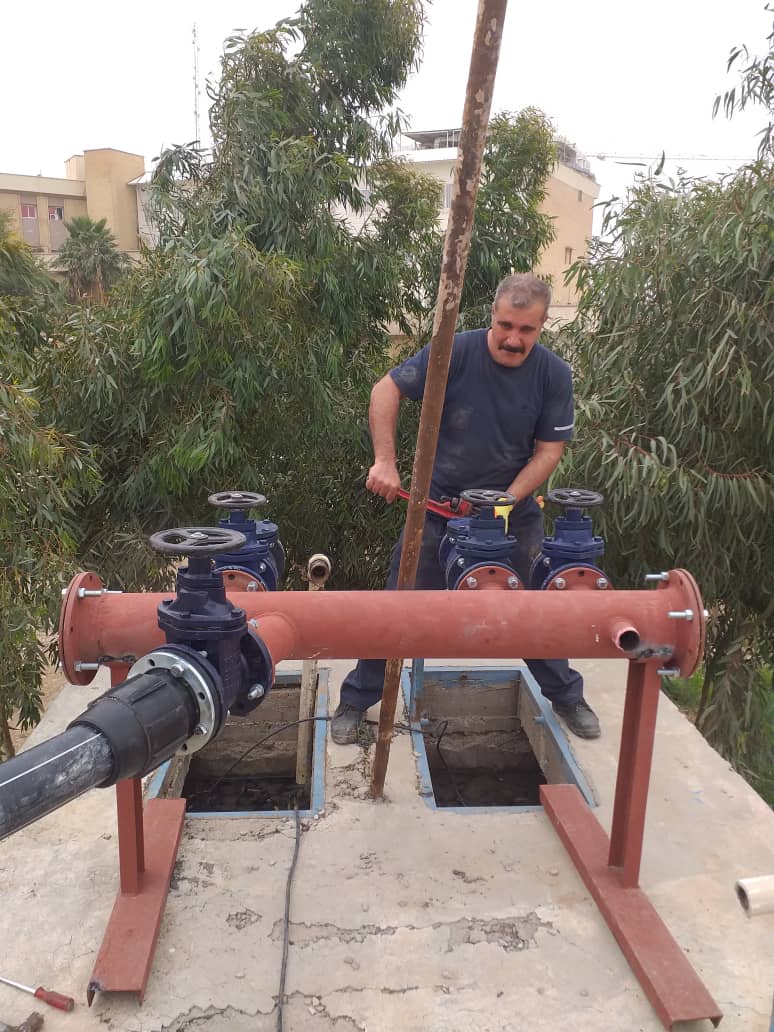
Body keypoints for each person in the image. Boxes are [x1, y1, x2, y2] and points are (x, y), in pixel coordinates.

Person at [332, 273, 601, 744]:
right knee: (398, 607)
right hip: (440, 512)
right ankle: (355, 701)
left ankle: (566, 697)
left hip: (512, 516)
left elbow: (548, 452)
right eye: (506, 325)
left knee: (532, 611)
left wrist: (504, 502)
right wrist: (385, 461)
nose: (513, 338)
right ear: (492, 315)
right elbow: (385, 390)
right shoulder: (454, 351)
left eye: (527, 330)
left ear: (542, 326)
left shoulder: (553, 374)